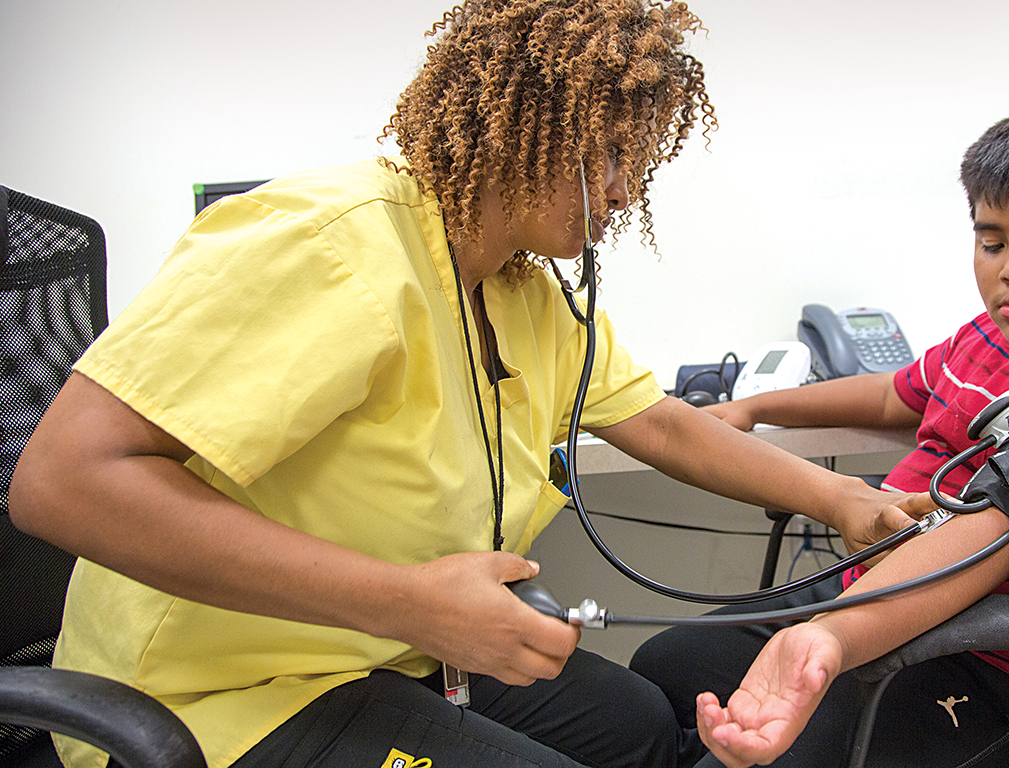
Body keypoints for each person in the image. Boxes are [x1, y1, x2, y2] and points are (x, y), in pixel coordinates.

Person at [7, 3, 922, 768]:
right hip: (224, 688)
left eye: (637, 161)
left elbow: (661, 424)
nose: (621, 189)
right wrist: (409, 602)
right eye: (604, 155)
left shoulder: (523, 288)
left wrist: (840, 497)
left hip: (383, 647)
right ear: (514, 121)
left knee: (640, 722)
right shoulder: (329, 245)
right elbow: (64, 483)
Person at [630, 105, 1009, 768]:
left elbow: (988, 535)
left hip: (998, 670)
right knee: (666, 665)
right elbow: (895, 392)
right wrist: (757, 406)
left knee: (747, 747)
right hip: (892, 597)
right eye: (992, 241)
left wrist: (831, 637)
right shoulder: (992, 338)